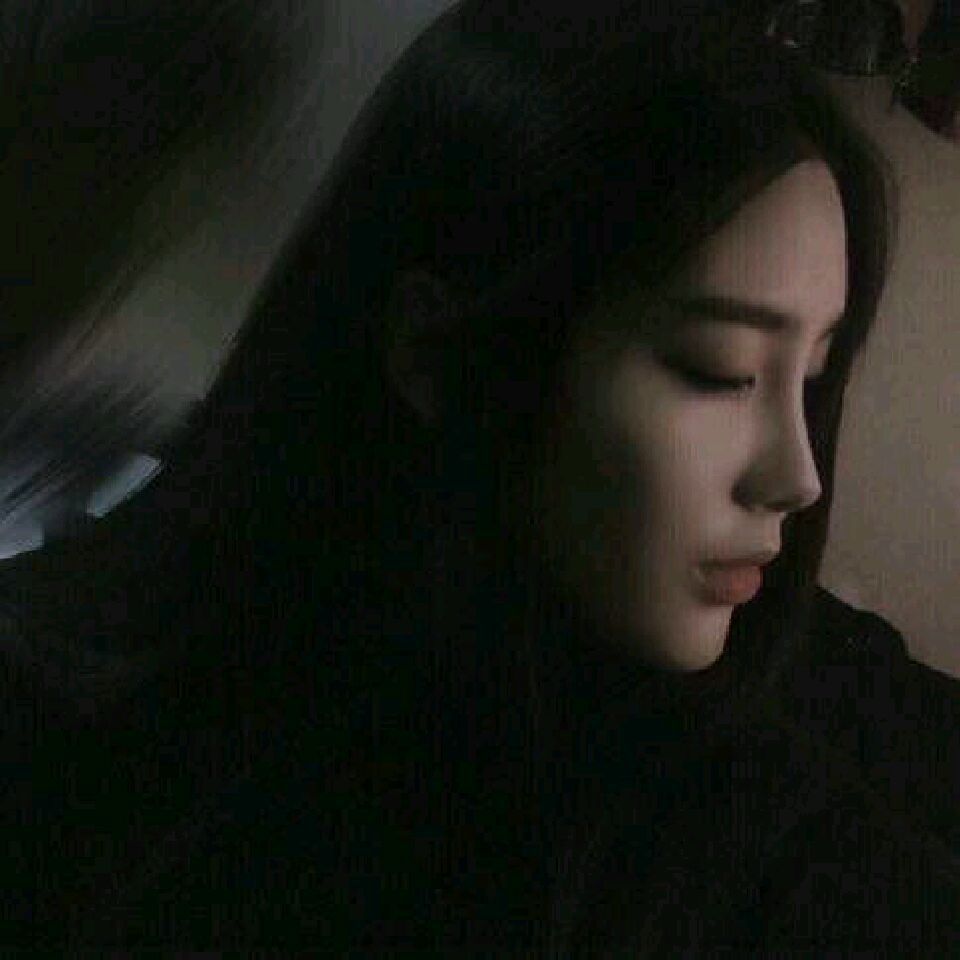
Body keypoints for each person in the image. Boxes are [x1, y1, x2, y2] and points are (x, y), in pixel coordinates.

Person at [10, 0, 959, 951]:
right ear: (437, 350)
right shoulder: (85, 732)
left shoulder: (807, 736)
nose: (798, 476)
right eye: (719, 369)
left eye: (815, 378)